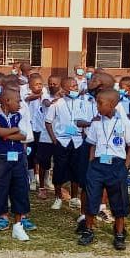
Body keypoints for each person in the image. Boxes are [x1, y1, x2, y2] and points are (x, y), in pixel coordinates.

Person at [79, 90, 130, 250]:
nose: (97, 106)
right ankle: (88, 230)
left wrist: (125, 167)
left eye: (100, 103)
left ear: (112, 104)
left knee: (119, 201)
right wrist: (91, 164)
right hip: (97, 166)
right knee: (92, 198)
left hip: (117, 165)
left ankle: (119, 234)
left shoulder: (124, 123)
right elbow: (92, 145)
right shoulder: (96, 123)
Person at [0, 87, 34, 242]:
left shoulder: (19, 115)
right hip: (1, 159)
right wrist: (13, 130)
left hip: (18, 158)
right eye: (18, 101)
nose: (20, 104)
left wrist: (6, 133)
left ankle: (18, 226)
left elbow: (23, 135)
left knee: (20, 190)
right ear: (7, 101)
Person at [45, 77, 87, 211]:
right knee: (59, 169)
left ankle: (74, 198)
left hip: (77, 141)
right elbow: (48, 122)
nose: (76, 88)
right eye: (73, 86)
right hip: (62, 141)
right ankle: (58, 197)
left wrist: (84, 132)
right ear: (65, 88)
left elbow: (85, 120)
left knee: (76, 169)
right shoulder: (57, 104)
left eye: (76, 86)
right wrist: (53, 138)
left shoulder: (82, 103)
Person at [36, 75, 61, 199]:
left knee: (58, 164)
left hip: (60, 136)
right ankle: (41, 188)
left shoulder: (65, 99)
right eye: (50, 83)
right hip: (46, 136)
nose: (52, 86)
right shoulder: (46, 96)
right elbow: (47, 103)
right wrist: (55, 100)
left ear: (60, 85)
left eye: (54, 84)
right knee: (43, 162)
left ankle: (55, 187)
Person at [24, 74, 50, 192]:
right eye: (36, 84)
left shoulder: (45, 94)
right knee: (30, 154)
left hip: (42, 131)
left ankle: (46, 179)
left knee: (44, 156)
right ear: (30, 86)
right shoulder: (26, 93)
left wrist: (46, 99)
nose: (39, 86)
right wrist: (39, 95)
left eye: (41, 84)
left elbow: (46, 102)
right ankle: (32, 179)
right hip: (30, 130)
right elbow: (28, 99)